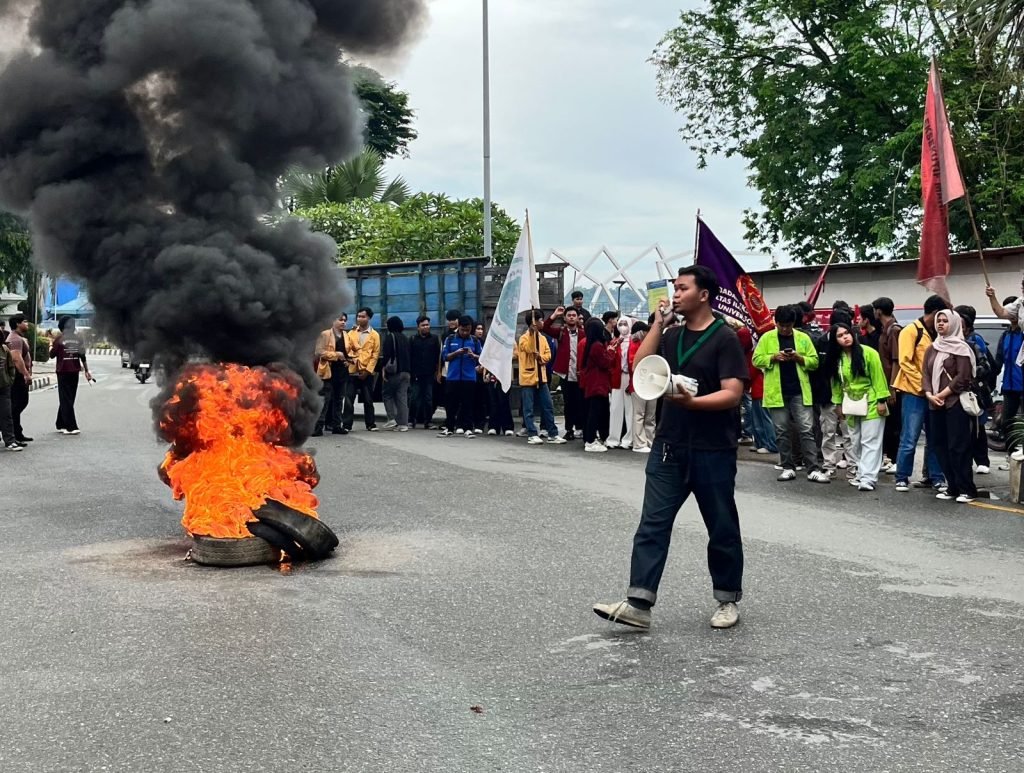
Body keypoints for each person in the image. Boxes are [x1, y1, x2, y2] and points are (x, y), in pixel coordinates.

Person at [592, 265, 747, 631]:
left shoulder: (724, 338)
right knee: (652, 524)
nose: (674, 295)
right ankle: (638, 604)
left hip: (713, 448)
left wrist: (694, 403)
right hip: (669, 445)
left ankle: (727, 600)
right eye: (674, 289)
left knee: (721, 526)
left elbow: (733, 392)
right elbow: (641, 365)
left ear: (703, 294)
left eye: (682, 289)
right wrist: (659, 323)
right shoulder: (671, 334)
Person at [753, 305, 829, 483]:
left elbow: (814, 362)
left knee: (806, 430)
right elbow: (756, 360)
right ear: (776, 322)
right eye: (782, 325)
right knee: (781, 431)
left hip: (800, 391)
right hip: (776, 392)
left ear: (794, 323)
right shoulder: (767, 338)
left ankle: (813, 468)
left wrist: (798, 358)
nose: (785, 329)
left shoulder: (803, 338)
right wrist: (773, 357)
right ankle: (787, 466)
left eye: (788, 325)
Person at [893, 295, 950, 492]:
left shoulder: (939, 333)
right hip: (914, 393)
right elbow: (905, 362)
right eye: (940, 317)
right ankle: (902, 476)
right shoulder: (910, 331)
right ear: (934, 313)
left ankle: (936, 477)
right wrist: (925, 387)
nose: (942, 321)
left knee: (935, 438)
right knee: (910, 437)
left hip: (936, 394)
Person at [826, 321, 890, 491]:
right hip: (850, 404)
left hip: (872, 401)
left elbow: (878, 378)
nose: (845, 337)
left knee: (871, 441)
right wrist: (838, 405)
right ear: (834, 340)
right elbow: (836, 385)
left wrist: (882, 401)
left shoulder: (869, 353)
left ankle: (868, 478)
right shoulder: (836, 360)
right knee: (855, 442)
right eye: (839, 336)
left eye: (846, 333)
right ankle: (861, 473)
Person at [924, 310, 978, 503]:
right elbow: (926, 375)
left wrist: (942, 394)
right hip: (935, 404)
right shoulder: (933, 347)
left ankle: (967, 489)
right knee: (939, 446)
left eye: (945, 321)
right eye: (939, 320)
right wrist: (930, 394)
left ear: (954, 324)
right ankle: (952, 486)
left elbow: (963, 377)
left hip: (955, 403)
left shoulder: (962, 348)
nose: (941, 324)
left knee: (958, 446)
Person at [956, 305, 996, 474]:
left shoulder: (975, 340)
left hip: (976, 391)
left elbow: (984, 367)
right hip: (960, 391)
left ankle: (982, 460)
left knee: (977, 427)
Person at [515, 311, 565, 445]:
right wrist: (532, 334)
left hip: (542, 376)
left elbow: (548, 354)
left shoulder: (542, 338)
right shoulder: (524, 338)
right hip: (528, 377)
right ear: (534, 322)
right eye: (540, 320)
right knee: (528, 407)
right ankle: (531, 432)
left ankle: (552, 433)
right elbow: (529, 348)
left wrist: (541, 359)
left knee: (548, 405)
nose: (542, 323)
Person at [542, 305, 586, 440]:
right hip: (565, 373)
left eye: (574, 315)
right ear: (565, 318)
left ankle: (580, 427)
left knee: (581, 401)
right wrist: (554, 315)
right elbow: (544, 327)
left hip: (579, 373)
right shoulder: (561, 331)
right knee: (568, 403)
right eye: (569, 315)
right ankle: (569, 429)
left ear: (578, 318)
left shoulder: (584, 333)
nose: (572, 317)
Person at [438, 315, 481, 437]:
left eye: (468, 330)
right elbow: (445, 356)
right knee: (451, 404)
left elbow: (482, 358)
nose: (465, 332)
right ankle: (449, 427)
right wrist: (456, 353)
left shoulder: (475, 341)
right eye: (463, 330)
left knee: (468, 404)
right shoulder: (450, 339)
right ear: (459, 327)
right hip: (453, 377)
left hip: (469, 378)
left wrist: (474, 356)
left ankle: (468, 428)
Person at [873, 297, 903, 473]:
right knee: (889, 424)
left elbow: (896, 360)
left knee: (895, 424)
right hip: (885, 383)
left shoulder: (894, 330)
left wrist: (892, 387)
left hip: (893, 384)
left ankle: (896, 460)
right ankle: (890, 458)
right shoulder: (886, 329)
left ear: (878, 311)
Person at [48, 316, 92, 436]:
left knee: (65, 398)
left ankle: (71, 427)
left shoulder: (59, 339)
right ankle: (60, 423)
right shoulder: (78, 339)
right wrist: (87, 371)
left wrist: (50, 345)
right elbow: (82, 356)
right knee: (69, 398)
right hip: (74, 372)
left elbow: (52, 355)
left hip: (63, 372)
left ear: (61, 326)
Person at [580, 317, 617, 453]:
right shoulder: (597, 345)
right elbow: (605, 363)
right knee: (594, 413)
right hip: (598, 383)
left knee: (594, 412)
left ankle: (591, 438)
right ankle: (590, 440)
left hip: (593, 383)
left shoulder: (591, 344)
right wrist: (611, 351)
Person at [737, 326, 776, 455]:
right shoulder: (752, 349)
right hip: (756, 388)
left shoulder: (755, 351)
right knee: (758, 418)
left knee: (763, 418)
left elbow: (752, 370)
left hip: (760, 387)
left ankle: (770, 444)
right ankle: (761, 442)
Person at [343, 307, 381, 432]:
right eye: (358, 316)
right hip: (352, 370)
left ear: (369, 318)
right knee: (349, 399)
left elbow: (375, 355)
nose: (360, 318)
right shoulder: (351, 333)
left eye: (363, 316)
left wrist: (367, 371)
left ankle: (370, 424)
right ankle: (347, 425)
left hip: (366, 372)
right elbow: (346, 350)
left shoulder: (374, 335)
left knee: (368, 399)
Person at [994, 298, 1024, 436]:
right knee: (1007, 425)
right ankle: (1011, 453)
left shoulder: (1022, 334)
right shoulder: (1005, 335)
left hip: (1022, 386)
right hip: (1009, 388)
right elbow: (998, 363)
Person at [626, 321, 655, 453]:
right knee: (640, 414)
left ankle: (649, 441)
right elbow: (633, 364)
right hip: (639, 383)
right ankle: (639, 443)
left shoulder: (647, 344)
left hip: (650, 383)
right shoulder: (634, 344)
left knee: (649, 415)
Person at [606, 316, 634, 449]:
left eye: (625, 324)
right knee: (615, 408)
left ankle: (629, 439)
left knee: (630, 409)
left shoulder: (635, 341)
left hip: (630, 377)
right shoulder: (614, 342)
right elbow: (609, 361)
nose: (623, 326)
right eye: (621, 324)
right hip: (617, 377)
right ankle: (613, 438)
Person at [409, 315, 441, 429]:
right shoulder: (412, 339)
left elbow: (438, 356)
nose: (426, 327)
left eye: (427, 325)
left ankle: (428, 422)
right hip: (416, 374)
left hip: (429, 374)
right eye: (423, 325)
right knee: (414, 398)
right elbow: (410, 357)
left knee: (428, 398)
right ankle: (411, 420)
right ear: (418, 327)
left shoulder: (434, 339)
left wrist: (438, 372)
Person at [381, 316, 412, 431]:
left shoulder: (390, 337)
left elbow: (387, 354)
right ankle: (403, 424)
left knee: (387, 394)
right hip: (406, 372)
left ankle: (391, 418)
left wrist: (383, 369)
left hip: (395, 372)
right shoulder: (406, 338)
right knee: (402, 397)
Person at [6, 314, 32, 445]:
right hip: (17, 377)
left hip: (19, 376)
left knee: (18, 404)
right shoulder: (15, 339)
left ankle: (17, 432)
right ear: (17, 324)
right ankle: (12, 434)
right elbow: (16, 358)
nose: (27, 324)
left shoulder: (18, 338)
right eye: (25, 322)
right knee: (17, 405)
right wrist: (26, 374)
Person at [0, 331, 21, 451]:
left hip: (4, 387)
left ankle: (10, 441)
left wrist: (10, 380)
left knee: (6, 414)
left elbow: (11, 366)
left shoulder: (4, 349)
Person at [472, 322, 489, 432]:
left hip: (482, 375)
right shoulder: (471, 342)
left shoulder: (485, 343)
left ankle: (480, 424)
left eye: (481, 329)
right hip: (471, 374)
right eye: (478, 329)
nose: (480, 331)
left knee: (482, 400)